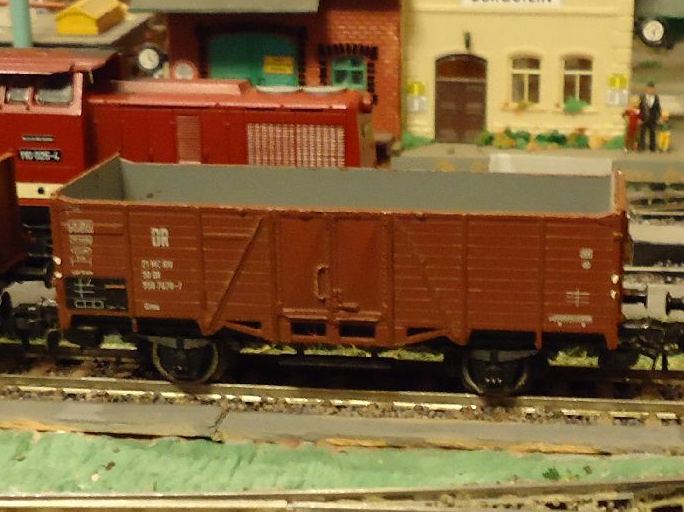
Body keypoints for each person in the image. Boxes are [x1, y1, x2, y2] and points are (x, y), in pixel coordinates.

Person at [638, 81, 661, 152]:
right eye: (648, 88)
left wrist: (659, 116)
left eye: (651, 89)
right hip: (644, 117)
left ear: (654, 89)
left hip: (653, 118)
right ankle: (642, 146)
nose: (650, 90)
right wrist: (639, 118)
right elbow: (639, 108)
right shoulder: (642, 97)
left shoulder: (656, 97)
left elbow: (658, 108)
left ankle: (652, 147)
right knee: (642, 133)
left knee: (652, 132)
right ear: (646, 89)